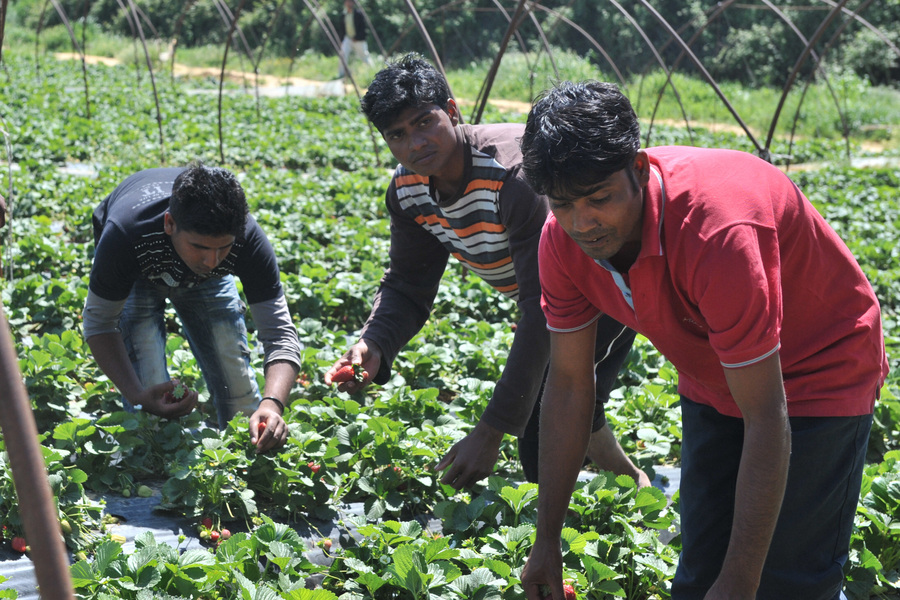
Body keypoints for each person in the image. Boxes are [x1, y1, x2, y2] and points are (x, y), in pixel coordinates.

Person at [518, 80, 889, 600]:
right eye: (562, 204)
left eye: (599, 198)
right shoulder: (562, 243)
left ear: (640, 171)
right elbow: (570, 386)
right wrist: (546, 541)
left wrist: (739, 582)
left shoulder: (717, 233)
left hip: (818, 367)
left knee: (787, 581)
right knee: (697, 577)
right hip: (714, 371)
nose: (584, 223)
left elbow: (766, 412)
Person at [324, 55, 649, 490]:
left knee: (547, 416)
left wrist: (492, 428)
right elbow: (408, 283)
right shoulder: (407, 190)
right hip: (552, 301)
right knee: (574, 407)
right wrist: (375, 342)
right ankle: (634, 485)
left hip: (603, 283)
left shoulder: (511, 177)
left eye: (424, 122)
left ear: (453, 111)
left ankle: (573, 530)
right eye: (397, 135)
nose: (415, 143)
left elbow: (541, 306)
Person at [83, 163, 302, 453]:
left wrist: (272, 404)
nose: (211, 260)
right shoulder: (125, 234)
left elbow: (280, 335)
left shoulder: (246, 240)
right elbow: (100, 323)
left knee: (241, 401)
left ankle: (239, 461)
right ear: (169, 223)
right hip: (138, 272)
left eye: (222, 248)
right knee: (151, 411)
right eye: (199, 246)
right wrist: (136, 394)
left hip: (208, 285)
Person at [337, 0, 372, 79]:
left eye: (350, 2)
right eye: (347, 1)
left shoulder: (358, 14)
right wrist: (341, 41)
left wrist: (357, 37)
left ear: (353, 3)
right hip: (348, 38)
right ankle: (341, 74)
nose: (349, 3)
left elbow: (363, 28)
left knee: (364, 55)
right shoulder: (343, 14)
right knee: (342, 55)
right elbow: (342, 29)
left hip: (358, 39)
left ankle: (372, 72)